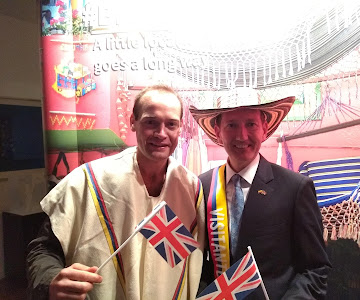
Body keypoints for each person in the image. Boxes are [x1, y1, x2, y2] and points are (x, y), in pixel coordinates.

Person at [27, 85, 205, 299]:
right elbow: (43, 249)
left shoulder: (190, 188)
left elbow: (194, 262)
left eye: (171, 124)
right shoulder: (89, 179)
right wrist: (51, 279)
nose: (161, 133)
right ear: (133, 122)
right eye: (151, 122)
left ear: (179, 129)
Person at [189, 88, 331, 300]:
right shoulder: (202, 185)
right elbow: (199, 262)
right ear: (218, 131)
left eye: (251, 124)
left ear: (265, 129)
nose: (241, 135)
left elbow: (316, 269)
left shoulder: (295, 188)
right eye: (231, 125)